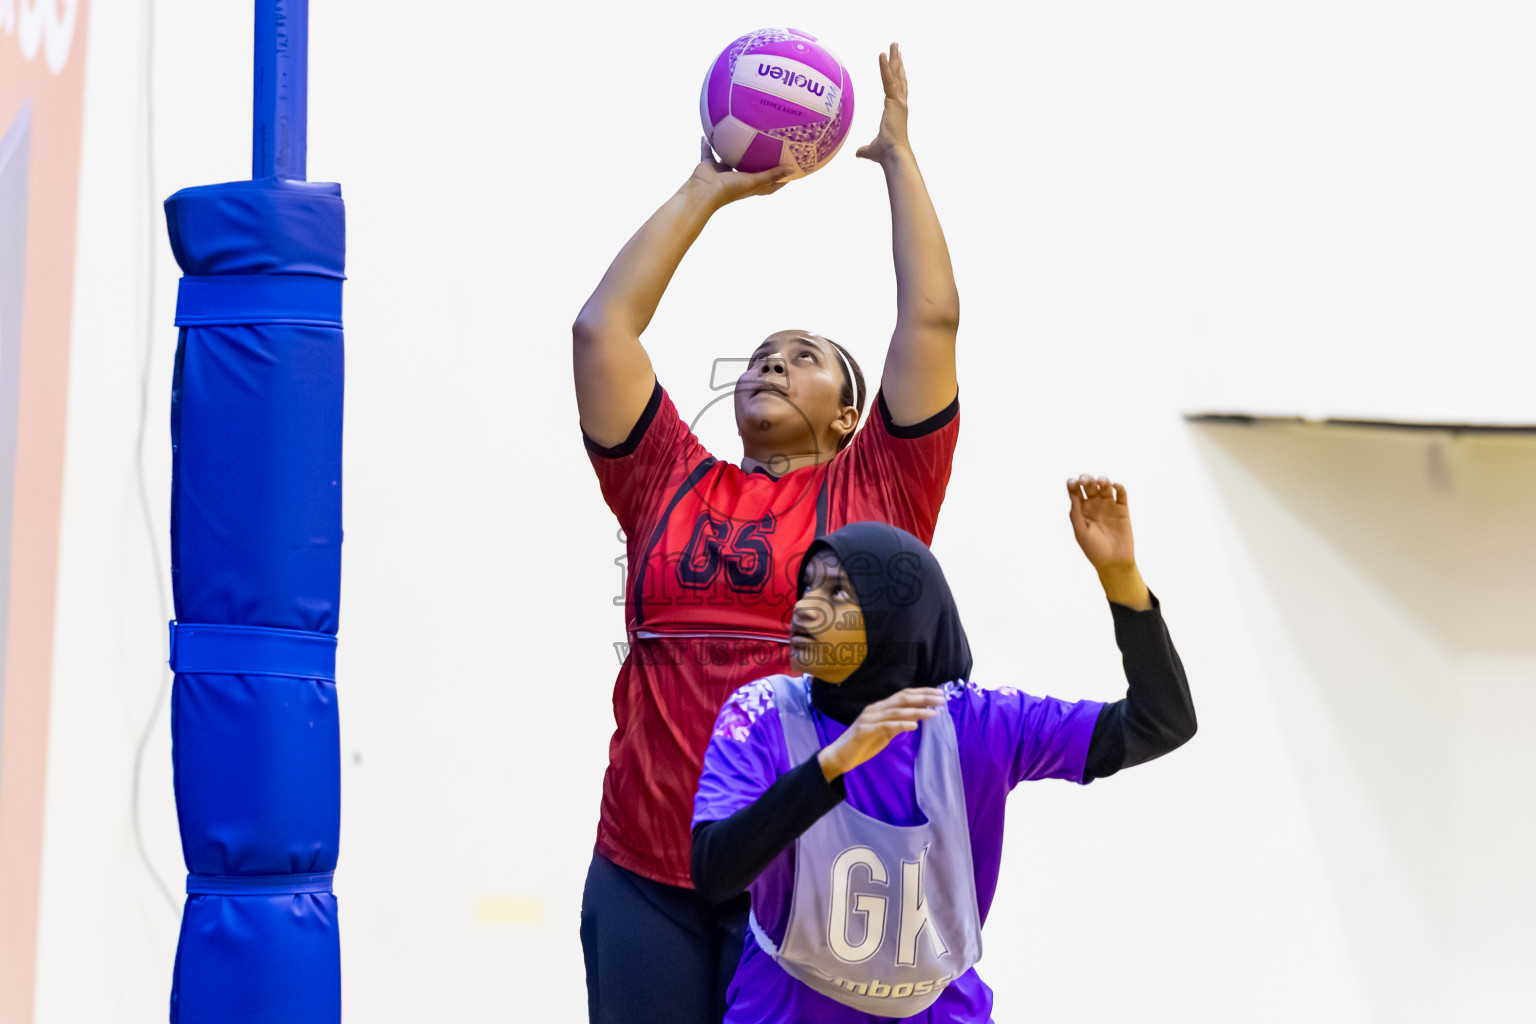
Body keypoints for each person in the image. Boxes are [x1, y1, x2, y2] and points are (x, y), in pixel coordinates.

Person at [573, 44, 962, 1024]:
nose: (772, 363)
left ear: (848, 415)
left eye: (805, 358)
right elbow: (601, 333)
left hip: (801, 876)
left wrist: (899, 159)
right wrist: (709, 184)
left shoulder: (877, 491)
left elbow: (932, 316)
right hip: (644, 869)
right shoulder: (666, 477)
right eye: (759, 356)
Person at [691, 477, 1197, 1023]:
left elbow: (1160, 722)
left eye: (837, 592)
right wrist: (832, 763)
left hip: (938, 1008)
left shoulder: (978, 722)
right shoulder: (764, 711)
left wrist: (1120, 577)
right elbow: (714, 872)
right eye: (807, 586)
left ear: (897, 616)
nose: (805, 609)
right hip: (790, 1005)